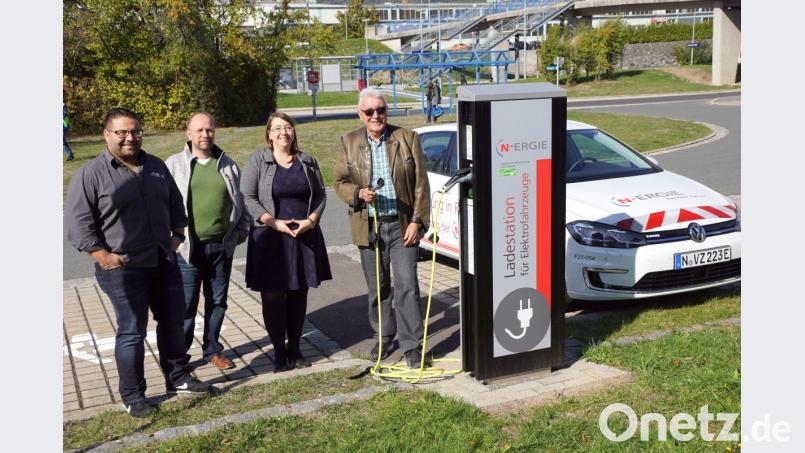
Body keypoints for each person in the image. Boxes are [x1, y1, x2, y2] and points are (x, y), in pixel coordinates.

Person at [66, 108, 213, 418]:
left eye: (135, 131)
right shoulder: (91, 173)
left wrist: (176, 237)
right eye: (122, 132)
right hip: (123, 268)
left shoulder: (156, 166)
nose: (130, 137)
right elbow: (79, 224)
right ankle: (133, 395)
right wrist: (104, 257)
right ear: (107, 135)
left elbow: (176, 204)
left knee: (173, 321)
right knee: (132, 331)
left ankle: (178, 377)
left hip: (163, 260)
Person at [333, 88, 431, 369]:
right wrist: (358, 194)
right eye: (369, 112)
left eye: (381, 110)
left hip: (402, 226)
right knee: (378, 287)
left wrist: (417, 220)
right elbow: (338, 182)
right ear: (360, 114)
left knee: (408, 287)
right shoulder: (348, 142)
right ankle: (384, 335)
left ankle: (412, 344)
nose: (376, 116)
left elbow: (421, 184)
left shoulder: (407, 138)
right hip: (369, 226)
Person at [241, 112, 332, 373]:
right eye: (277, 128)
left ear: (294, 132)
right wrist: (273, 222)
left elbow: (321, 197)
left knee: (297, 295)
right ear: (269, 134)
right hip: (270, 239)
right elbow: (247, 197)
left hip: (303, 237)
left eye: (288, 127)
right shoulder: (258, 161)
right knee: (272, 298)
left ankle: (296, 349)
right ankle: (279, 354)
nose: (284, 133)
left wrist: (312, 220)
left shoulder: (308, 161)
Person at [165, 112, 251, 371]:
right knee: (186, 306)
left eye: (210, 130)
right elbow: (161, 207)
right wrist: (172, 241)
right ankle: (179, 359)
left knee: (217, 302)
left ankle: (212, 350)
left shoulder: (228, 165)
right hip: (188, 249)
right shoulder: (173, 165)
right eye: (199, 130)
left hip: (220, 247)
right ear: (188, 134)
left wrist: (238, 235)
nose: (205, 135)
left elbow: (242, 204)